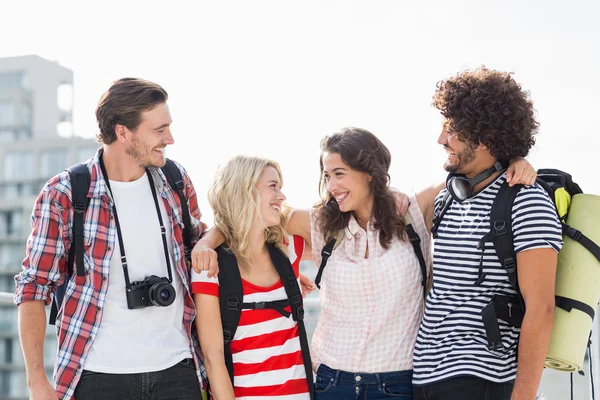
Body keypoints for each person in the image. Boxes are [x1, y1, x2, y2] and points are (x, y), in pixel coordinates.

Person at [191, 127, 536, 399]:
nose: (332, 186)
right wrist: (207, 241)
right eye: (327, 176)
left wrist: (514, 160)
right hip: (331, 384)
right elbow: (245, 216)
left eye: (339, 173)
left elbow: (474, 167)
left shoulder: (413, 214)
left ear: (369, 171)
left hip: (399, 383)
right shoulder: (321, 224)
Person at [14, 78, 207, 400]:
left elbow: (201, 239)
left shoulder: (175, 181)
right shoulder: (65, 194)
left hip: (178, 369)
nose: (170, 139)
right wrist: (37, 381)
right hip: (97, 376)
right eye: (159, 130)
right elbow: (34, 287)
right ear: (123, 132)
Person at [411, 67, 563, 400]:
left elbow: (542, 308)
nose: (440, 139)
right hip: (424, 375)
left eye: (450, 130)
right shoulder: (449, 196)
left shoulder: (526, 200)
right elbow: (391, 214)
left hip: (482, 379)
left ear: (483, 139)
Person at [192, 155, 313, 400]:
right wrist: (210, 239)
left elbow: (332, 228)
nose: (282, 195)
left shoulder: (289, 250)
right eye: (273, 186)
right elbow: (214, 359)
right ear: (245, 191)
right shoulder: (209, 264)